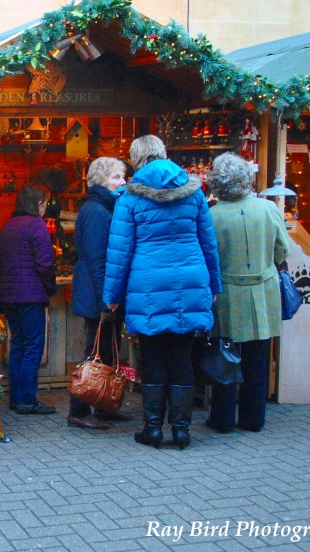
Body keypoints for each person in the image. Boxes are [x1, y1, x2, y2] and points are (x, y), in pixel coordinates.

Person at [103, 135, 221, 450]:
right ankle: (181, 431)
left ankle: (153, 428)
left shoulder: (129, 198)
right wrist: (214, 286)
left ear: (136, 159)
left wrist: (112, 295)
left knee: (152, 355)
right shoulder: (194, 193)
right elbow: (208, 244)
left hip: (148, 285)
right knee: (182, 356)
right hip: (190, 281)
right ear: (164, 154)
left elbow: (120, 252)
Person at [206, 153, 289, 434]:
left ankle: (222, 418)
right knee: (258, 356)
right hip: (263, 289)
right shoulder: (268, 209)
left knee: (225, 355)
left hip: (228, 291)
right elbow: (281, 251)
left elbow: (209, 259)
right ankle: (254, 418)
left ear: (215, 183)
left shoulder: (212, 215)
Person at [68, 157, 134, 430]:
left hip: (102, 292)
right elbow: (98, 260)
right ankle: (79, 410)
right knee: (94, 353)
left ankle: (103, 404)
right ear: (100, 181)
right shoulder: (97, 211)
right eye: (116, 177)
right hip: (99, 293)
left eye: (123, 176)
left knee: (106, 352)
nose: (123, 182)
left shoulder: (104, 207)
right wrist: (108, 299)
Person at [0, 184, 57, 415]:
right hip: (30, 296)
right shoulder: (36, 226)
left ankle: (16, 398)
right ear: (38, 203)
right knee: (33, 347)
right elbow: (45, 264)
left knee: (19, 345)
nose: (46, 208)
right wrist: (50, 288)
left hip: (9, 296)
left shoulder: (8, 226)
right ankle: (27, 400)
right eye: (45, 203)